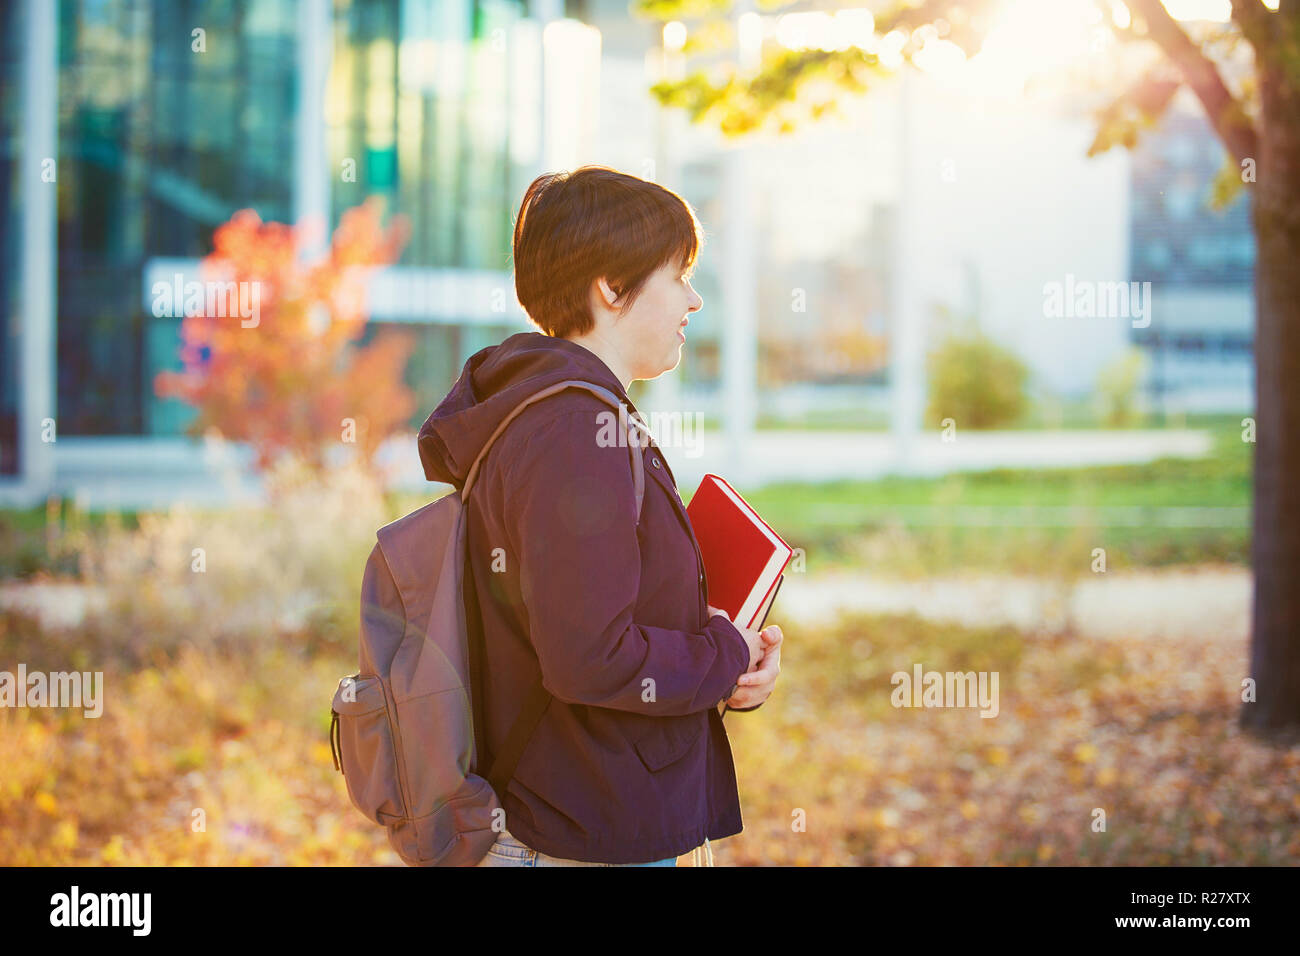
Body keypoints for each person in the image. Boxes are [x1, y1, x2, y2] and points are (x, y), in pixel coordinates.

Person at [417, 166, 782, 867]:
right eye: (679, 275)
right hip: (582, 834)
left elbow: (594, 623)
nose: (695, 299)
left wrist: (726, 661)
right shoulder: (576, 431)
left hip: (584, 812)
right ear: (611, 288)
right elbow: (591, 657)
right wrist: (723, 653)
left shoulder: (559, 413)